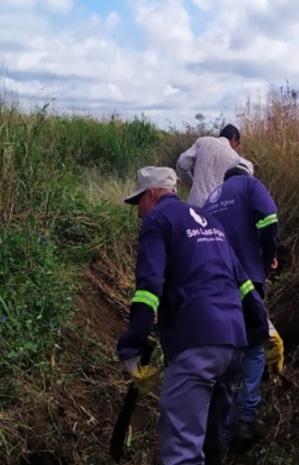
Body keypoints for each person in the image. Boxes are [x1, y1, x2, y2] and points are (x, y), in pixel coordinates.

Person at [115, 166, 280, 465]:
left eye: (138, 201)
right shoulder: (211, 223)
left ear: (151, 195)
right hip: (231, 349)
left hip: (195, 346)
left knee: (182, 455)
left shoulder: (157, 221)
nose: (138, 211)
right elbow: (243, 284)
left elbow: (148, 289)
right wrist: (265, 329)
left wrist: (131, 348)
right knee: (211, 446)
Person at [201, 158, 284, 447]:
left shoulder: (210, 201)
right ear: (246, 175)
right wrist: (266, 256)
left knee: (227, 356)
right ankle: (246, 419)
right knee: (253, 349)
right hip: (245, 281)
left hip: (212, 289)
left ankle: (222, 437)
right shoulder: (249, 184)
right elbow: (270, 218)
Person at [176, 124, 242, 208]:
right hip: (215, 208)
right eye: (238, 143)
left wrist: (191, 183)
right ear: (233, 138)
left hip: (194, 203)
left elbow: (182, 163)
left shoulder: (203, 141)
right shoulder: (235, 158)